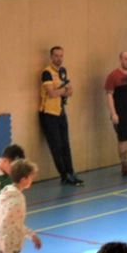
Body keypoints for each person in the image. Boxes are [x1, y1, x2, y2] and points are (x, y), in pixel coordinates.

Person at [39, 45, 84, 186]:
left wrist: (62, 90)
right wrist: (63, 90)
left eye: (61, 56)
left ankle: (71, 172)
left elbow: (70, 91)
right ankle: (64, 175)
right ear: (51, 57)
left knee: (66, 145)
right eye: (56, 56)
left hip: (61, 112)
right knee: (56, 146)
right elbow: (51, 94)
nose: (59, 58)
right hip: (48, 114)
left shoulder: (63, 71)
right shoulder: (46, 73)